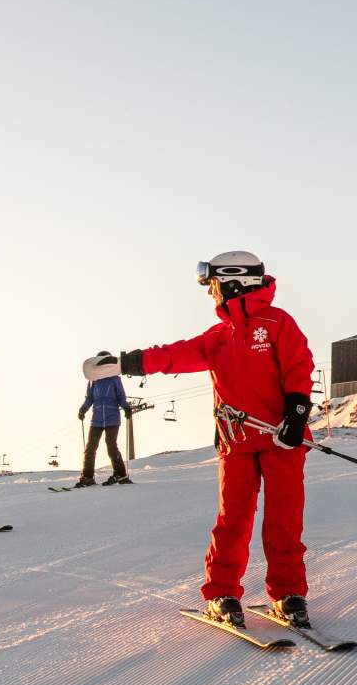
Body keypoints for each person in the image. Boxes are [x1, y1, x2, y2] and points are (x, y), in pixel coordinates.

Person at [113, 252, 315, 628]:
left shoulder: (277, 323)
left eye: (214, 285)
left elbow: (298, 366)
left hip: (281, 439)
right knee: (232, 520)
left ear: (235, 282)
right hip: (236, 442)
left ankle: (288, 594)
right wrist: (127, 363)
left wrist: (297, 412)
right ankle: (223, 594)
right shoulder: (218, 337)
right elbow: (174, 356)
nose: (211, 294)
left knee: (283, 518)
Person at [76, 351, 131, 487]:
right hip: (97, 419)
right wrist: (83, 409)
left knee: (111, 445)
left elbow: (121, 396)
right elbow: (90, 398)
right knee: (90, 447)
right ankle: (87, 476)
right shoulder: (93, 380)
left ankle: (121, 474)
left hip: (112, 417)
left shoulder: (115, 379)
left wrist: (126, 408)